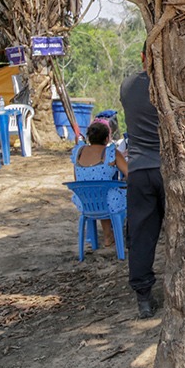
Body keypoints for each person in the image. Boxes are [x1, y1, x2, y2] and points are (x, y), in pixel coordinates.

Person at [120, 44, 166, 319]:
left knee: (141, 235)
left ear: (142, 58)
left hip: (138, 171)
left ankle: (144, 298)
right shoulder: (170, 87)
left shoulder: (127, 86)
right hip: (167, 170)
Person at [70, 119, 128, 248]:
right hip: (107, 201)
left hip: (85, 202)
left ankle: (107, 235)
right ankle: (114, 234)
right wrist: (122, 182)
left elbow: (77, 178)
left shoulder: (78, 152)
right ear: (107, 138)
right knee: (120, 195)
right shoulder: (111, 153)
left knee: (101, 193)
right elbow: (130, 174)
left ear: (89, 137)